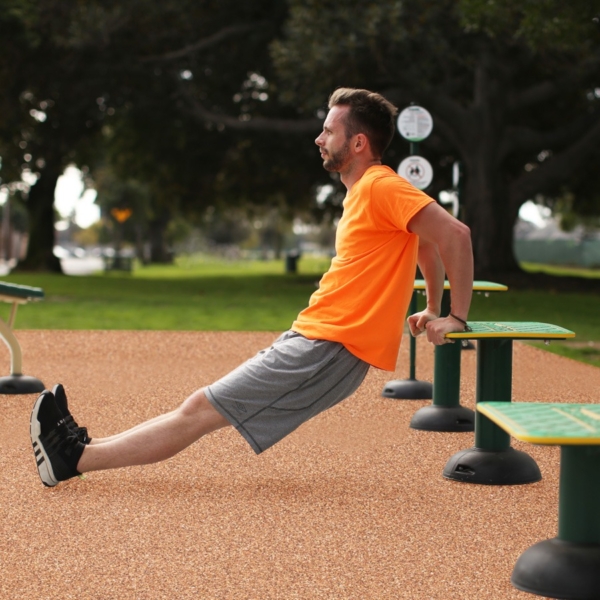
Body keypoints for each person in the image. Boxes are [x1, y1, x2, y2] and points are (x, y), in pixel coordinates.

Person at [30, 88, 474, 487]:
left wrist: (455, 315)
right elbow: (424, 243)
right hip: (320, 338)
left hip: (328, 346)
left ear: (358, 143)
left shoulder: (381, 185)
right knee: (199, 408)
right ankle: (81, 447)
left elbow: (454, 234)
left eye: (328, 131)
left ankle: (74, 459)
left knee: (200, 409)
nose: (319, 139)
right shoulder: (370, 191)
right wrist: (432, 304)